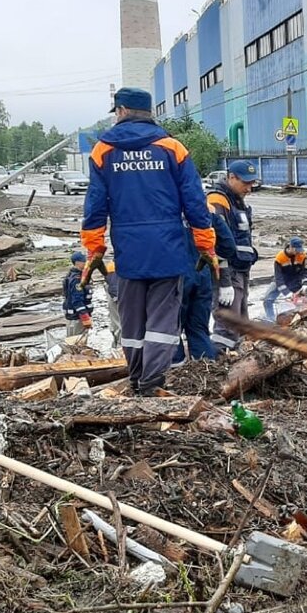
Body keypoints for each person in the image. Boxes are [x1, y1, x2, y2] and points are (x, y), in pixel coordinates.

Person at [80, 87, 217, 396]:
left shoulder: (103, 150)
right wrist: (205, 243)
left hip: (128, 251)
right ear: (149, 111)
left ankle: (136, 376)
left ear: (122, 110)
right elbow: (195, 202)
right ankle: (151, 382)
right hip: (168, 249)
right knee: (162, 319)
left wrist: (94, 247)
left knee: (132, 319)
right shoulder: (172, 148)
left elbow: (95, 204)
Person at [207, 160, 260, 351]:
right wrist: (224, 282)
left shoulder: (236, 200)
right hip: (227, 271)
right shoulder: (217, 200)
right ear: (231, 177)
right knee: (227, 326)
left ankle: (241, 365)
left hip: (240, 270)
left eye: (252, 184)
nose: (249, 189)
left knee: (241, 322)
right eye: (246, 183)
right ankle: (220, 368)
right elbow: (216, 243)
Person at [175, 212, 237, 363]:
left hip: (176, 275)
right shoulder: (206, 211)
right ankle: (206, 372)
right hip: (202, 275)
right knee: (199, 329)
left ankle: (175, 376)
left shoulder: (168, 208)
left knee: (172, 330)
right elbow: (228, 246)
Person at [263, 236, 307, 321]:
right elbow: (278, 278)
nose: (298, 252)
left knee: (302, 302)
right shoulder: (280, 258)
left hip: (295, 281)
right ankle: (270, 319)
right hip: (281, 281)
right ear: (290, 247)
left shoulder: (302, 256)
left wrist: (305, 285)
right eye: (296, 250)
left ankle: (302, 318)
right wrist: (287, 293)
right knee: (267, 300)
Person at [63, 251, 93, 337]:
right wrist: (85, 316)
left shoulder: (77, 275)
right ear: (77, 263)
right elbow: (77, 300)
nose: (86, 263)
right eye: (84, 261)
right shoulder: (76, 279)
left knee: (78, 342)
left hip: (77, 315)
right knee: (77, 343)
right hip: (77, 316)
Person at [100, 262, 121, 348]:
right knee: (119, 324)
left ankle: (115, 345)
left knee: (115, 323)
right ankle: (119, 347)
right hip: (116, 298)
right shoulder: (113, 266)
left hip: (114, 296)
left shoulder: (112, 265)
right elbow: (113, 285)